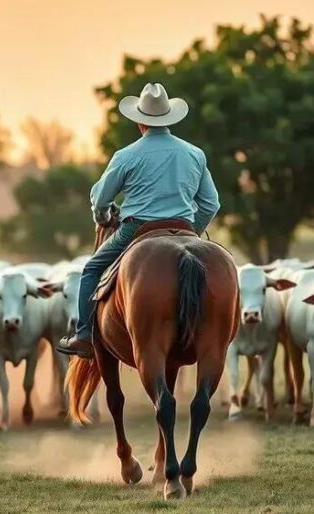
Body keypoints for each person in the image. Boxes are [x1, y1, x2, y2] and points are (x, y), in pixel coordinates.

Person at [56, 82, 220, 359]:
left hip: (136, 229)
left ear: (139, 122)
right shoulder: (195, 154)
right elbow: (211, 203)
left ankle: (84, 335)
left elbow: (101, 198)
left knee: (92, 270)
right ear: (169, 117)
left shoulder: (127, 155)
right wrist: (193, 231)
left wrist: (104, 216)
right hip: (184, 228)